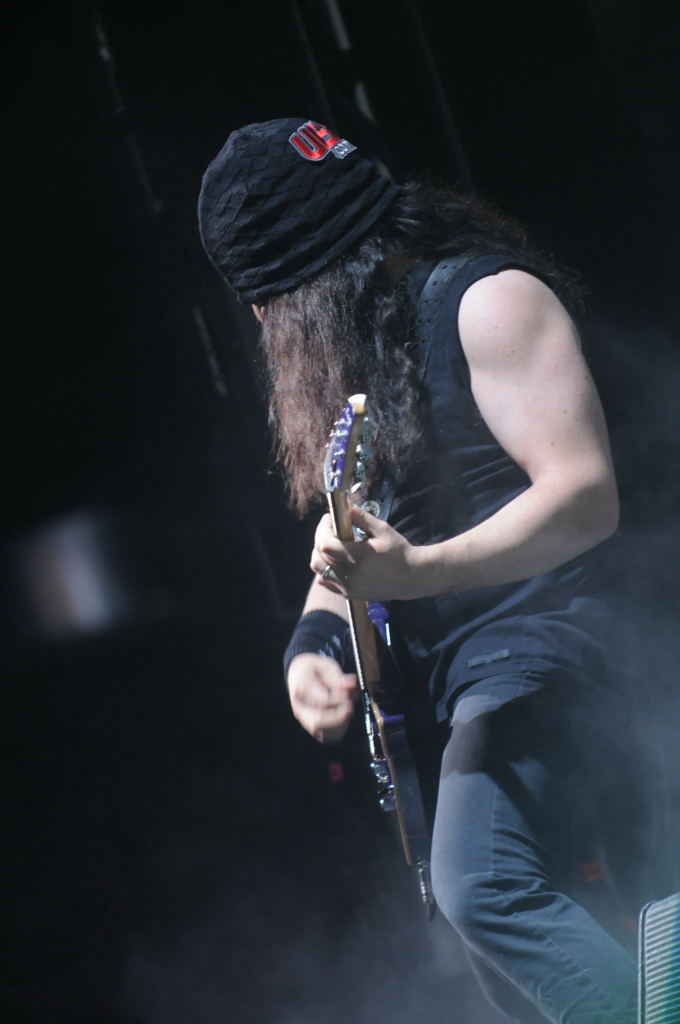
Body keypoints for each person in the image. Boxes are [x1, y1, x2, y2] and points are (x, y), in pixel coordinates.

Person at [198, 117, 638, 1022]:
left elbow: (587, 496)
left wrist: (422, 571)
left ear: (295, 293)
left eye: (269, 308)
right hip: (458, 678)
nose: (266, 329)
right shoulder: (363, 358)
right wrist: (311, 647)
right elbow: (360, 550)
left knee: (485, 886)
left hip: (556, 640)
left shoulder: (490, 303)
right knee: (498, 969)